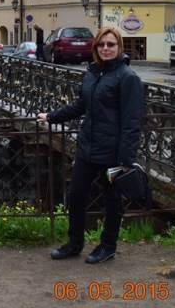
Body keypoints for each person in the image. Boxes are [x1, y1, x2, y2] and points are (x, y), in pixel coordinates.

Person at [37, 26, 142, 264]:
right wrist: (52, 116)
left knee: (112, 199)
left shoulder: (128, 78)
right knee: (76, 194)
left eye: (111, 44)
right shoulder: (93, 73)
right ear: (96, 48)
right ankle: (74, 243)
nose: (106, 48)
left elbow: (132, 122)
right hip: (88, 147)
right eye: (102, 45)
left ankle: (108, 246)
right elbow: (80, 105)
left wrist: (125, 160)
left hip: (112, 153)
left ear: (119, 47)